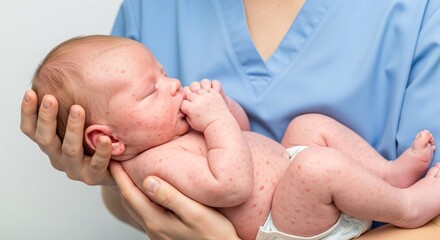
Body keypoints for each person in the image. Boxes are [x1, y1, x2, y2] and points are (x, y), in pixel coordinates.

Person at [20, 0, 440, 239]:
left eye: (165, 73)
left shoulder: (169, 127)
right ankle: (407, 205)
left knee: (309, 127)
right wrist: (107, 175)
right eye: (152, 89)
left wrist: (224, 109)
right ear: (108, 138)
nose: (171, 85)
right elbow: (232, 184)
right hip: (289, 225)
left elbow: (241, 134)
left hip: (293, 181)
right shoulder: (152, 163)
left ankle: (389, 173)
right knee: (317, 166)